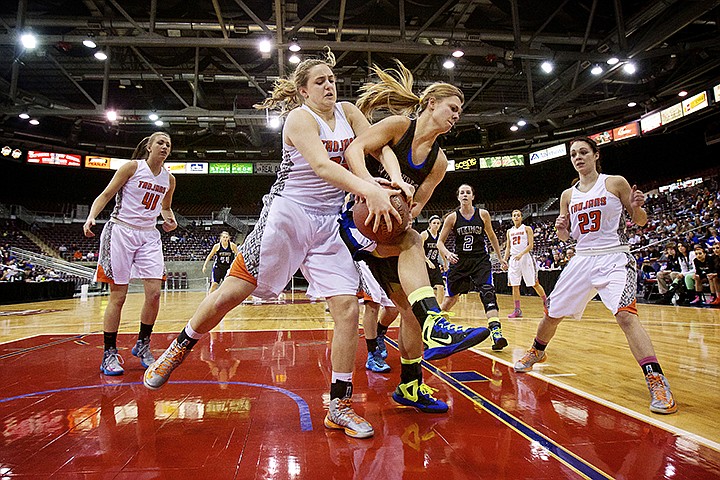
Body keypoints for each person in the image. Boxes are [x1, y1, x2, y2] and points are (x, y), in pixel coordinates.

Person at [143, 49, 401, 439]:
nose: (330, 85)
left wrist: (393, 181)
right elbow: (322, 166)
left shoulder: (349, 113)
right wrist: (369, 188)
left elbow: (380, 145)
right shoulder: (300, 119)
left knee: (347, 309)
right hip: (288, 214)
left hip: (331, 221)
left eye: (332, 79)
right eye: (320, 81)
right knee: (232, 293)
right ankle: (180, 345)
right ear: (303, 91)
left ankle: (339, 404)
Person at [339, 61, 490, 413]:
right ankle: (436, 324)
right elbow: (353, 151)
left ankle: (410, 385)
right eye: (453, 108)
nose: (457, 116)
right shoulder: (397, 127)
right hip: (352, 216)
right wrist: (369, 188)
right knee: (415, 242)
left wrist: (403, 207)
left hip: (387, 230)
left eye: (460, 112)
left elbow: (417, 206)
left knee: (408, 311)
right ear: (431, 103)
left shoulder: (439, 162)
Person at [513, 136, 677, 415]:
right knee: (552, 312)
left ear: (595, 155)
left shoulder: (615, 183)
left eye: (583, 152)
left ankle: (656, 380)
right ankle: (538, 350)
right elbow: (566, 236)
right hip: (582, 258)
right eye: (573, 154)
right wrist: (561, 228)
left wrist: (637, 207)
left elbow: (640, 221)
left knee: (626, 315)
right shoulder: (568, 195)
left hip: (614, 256)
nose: (578, 157)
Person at [83, 132, 178, 376]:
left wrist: (170, 221)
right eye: (160, 142)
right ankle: (109, 353)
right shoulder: (132, 167)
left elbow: (165, 208)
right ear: (148, 146)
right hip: (121, 231)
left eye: (168, 144)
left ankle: (143, 344)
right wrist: (92, 215)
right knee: (119, 295)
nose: (165, 147)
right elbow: (106, 194)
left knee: (155, 293)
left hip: (148, 234)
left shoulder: (169, 179)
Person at [436, 184, 509, 351]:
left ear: (473, 196)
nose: (465, 195)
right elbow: (440, 242)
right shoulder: (452, 218)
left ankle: (496, 333)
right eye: (462, 192)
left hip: (480, 261)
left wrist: (500, 258)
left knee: (488, 292)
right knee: (449, 300)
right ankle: (436, 329)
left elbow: (492, 236)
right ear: (458, 197)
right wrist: (447, 254)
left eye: (468, 192)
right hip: (460, 262)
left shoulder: (482, 214)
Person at [503, 209, 547, 318]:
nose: (516, 217)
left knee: (534, 283)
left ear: (521, 217)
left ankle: (547, 304)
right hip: (514, 260)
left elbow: (530, 245)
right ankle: (517, 310)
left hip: (525, 258)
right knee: (514, 285)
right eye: (514, 215)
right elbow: (508, 247)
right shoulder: (509, 231)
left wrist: (521, 254)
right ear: (512, 218)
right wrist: (504, 260)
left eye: (518, 215)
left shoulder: (527, 229)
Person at [421, 215, 446, 305]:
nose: (436, 225)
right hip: (424, 264)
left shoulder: (440, 237)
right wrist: (428, 261)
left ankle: (439, 308)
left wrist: (445, 264)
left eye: (438, 223)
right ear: (430, 224)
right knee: (426, 288)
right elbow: (419, 250)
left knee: (440, 287)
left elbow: (441, 250)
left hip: (434, 264)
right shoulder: (424, 234)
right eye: (434, 223)